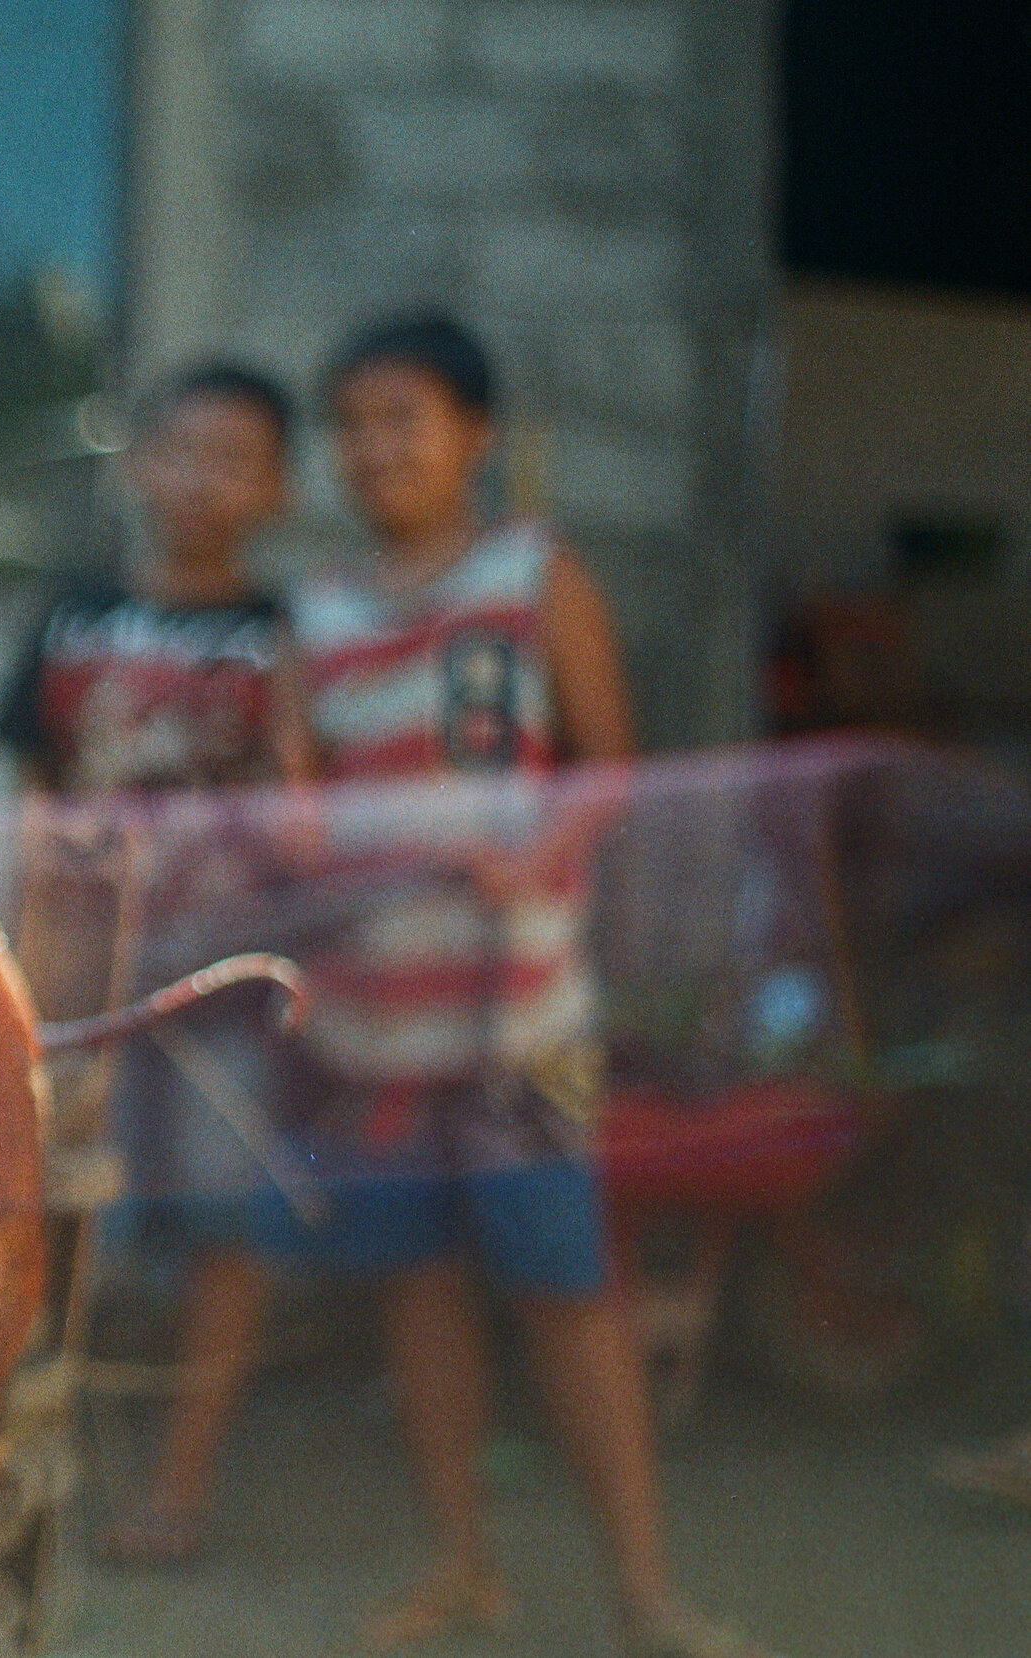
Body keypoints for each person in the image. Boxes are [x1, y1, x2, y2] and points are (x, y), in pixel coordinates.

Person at [274, 312, 769, 1657]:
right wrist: (299, 836)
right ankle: (462, 1566)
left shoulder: (535, 573)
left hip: (523, 1017)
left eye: (405, 419)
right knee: (415, 1291)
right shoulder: (311, 611)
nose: (376, 449)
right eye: (354, 424)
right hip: (378, 1026)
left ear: (475, 439)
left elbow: (609, 765)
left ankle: (644, 1591)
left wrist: (542, 845)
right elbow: (296, 801)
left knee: (569, 1291)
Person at [0, 362, 308, 1561]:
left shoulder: (279, 634)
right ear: (137, 465)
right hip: (82, 978)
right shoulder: (71, 613)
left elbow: (301, 802)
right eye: (181, 450)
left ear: (275, 486)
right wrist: (35, 940)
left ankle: (178, 1484)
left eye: (235, 456)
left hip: (228, 972)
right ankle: (36, 1463)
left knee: (226, 1226)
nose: (201, 478)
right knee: (61, 1212)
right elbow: (31, 781)